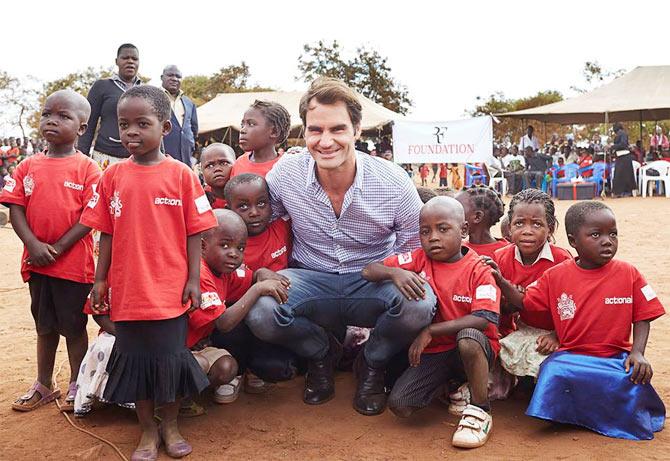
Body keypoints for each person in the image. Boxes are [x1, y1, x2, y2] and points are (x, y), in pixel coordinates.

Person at [245, 77, 434, 416]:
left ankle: (372, 361)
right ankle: (320, 354)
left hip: (373, 282)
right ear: (304, 133)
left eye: (338, 129)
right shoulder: (286, 172)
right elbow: (259, 217)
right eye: (316, 130)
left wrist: (392, 274)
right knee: (261, 312)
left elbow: (413, 247)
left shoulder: (392, 181)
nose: (326, 141)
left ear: (357, 130)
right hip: (309, 280)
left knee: (419, 304)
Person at [80, 86, 217, 460]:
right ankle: (146, 432)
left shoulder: (183, 176)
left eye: (143, 123)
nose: (131, 132)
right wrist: (100, 280)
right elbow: (105, 232)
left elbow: (195, 233)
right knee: (137, 364)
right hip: (127, 290)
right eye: (124, 124)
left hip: (170, 290)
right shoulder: (111, 178)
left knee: (169, 362)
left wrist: (192, 279)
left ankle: (171, 427)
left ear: (166, 128)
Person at [494, 201, 665, 440]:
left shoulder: (629, 273)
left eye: (612, 234)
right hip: (571, 355)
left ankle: (588, 416)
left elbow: (644, 315)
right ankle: (578, 415)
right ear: (574, 241)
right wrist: (501, 282)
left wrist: (637, 352)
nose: (607, 241)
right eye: (596, 235)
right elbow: (525, 301)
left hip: (615, 357)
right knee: (552, 370)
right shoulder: (555, 275)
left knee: (630, 376)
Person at [363, 197, 500, 449]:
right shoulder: (419, 259)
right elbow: (369, 270)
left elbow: (484, 319)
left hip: (473, 347)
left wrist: (431, 329)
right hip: (436, 351)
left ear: (464, 231)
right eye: (425, 231)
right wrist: (395, 272)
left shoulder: (479, 269)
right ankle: (453, 386)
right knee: (401, 405)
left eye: (443, 229)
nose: (433, 237)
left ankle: (480, 410)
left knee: (468, 337)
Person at [2, 90, 101, 412]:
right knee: (44, 326)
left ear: (82, 128)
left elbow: (91, 216)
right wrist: (33, 244)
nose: (52, 121)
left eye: (63, 116)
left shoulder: (88, 169)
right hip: (37, 263)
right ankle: (44, 384)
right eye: (47, 114)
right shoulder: (27, 166)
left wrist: (57, 248)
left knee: (73, 327)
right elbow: (15, 207)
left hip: (73, 267)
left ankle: (78, 383)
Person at [189, 209, 290, 405]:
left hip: (197, 345)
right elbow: (223, 323)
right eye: (225, 245)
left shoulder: (224, 268)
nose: (234, 254)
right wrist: (259, 289)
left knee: (227, 367)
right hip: (173, 349)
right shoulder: (200, 272)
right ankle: (167, 399)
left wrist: (261, 273)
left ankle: (185, 394)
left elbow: (250, 277)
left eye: (241, 248)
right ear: (202, 246)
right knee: (197, 366)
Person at [216, 184, 298, 400]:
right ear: (229, 207)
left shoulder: (282, 227)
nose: (254, 212)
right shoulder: (226, 240)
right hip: (235, 316)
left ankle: (254, 369)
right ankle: (236, 371)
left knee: (280, 368)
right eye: (243, 206)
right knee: (230, 331)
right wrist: (258, 276)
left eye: (262, 203)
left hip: (274, 314)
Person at [485, 190, 571, 380]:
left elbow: (572, 306)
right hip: (523, 329)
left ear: (550, 228)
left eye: (537, 224)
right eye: (519, 223)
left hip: (559, 332)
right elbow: (501, 306)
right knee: (499, 353)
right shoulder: (501, 258)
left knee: (545, 364)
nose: (527, 231)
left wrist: (557, 335)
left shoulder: (562, 260)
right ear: (509, 228)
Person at [78, 44, 141, 169]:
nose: (130, 61)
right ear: (116, 61)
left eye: (134, 59)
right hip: (104, 157)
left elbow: (155, 128)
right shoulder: (102, 86)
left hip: (137, 158)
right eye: (125, 58)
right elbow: (88, 125)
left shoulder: (146, 91)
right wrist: (82, 160)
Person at [230, 100, 291, 178]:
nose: (242, 130)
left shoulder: (286, 166)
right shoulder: (239, 163)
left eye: (251, 124)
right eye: (242, 125)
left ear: (274, 132)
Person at [161, 65, 199, 166]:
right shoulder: (153, 98)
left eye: (178, 76)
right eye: (170, 75)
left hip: (186, 158)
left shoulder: (189, 103)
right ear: (162, 77)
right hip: (162, 156)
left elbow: (194, 130)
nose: (174, 79)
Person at [455, 185, 508, 258]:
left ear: (477, 217)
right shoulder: (456, 249)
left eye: (457, 210)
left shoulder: (507, 252)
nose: (450, 214)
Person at [200, 143, 236, 209]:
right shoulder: (201, 200)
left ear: (236, 165)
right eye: (210, 166)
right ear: (202, 174)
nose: (217, 169)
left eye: (224, 163)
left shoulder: (245, 195)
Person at [611, 123, 637, 197]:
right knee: (624, 175)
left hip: (624, 156)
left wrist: (612, 146)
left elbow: (623, 144)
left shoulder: (622, 134)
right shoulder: (621, 134)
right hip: (621, 156)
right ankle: (624, 192)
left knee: (620, 175)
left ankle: (620, 192)